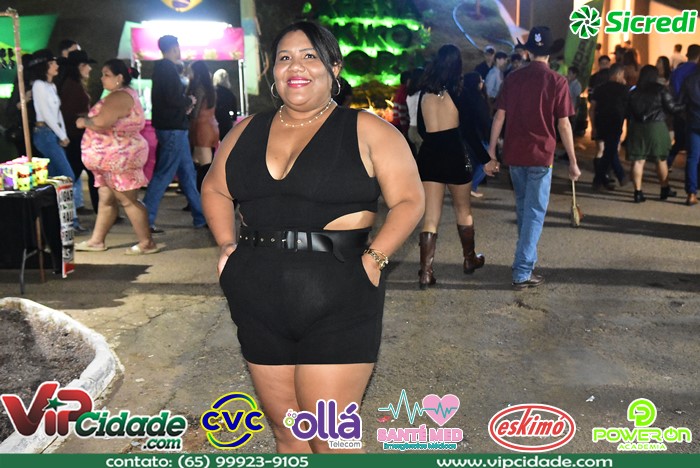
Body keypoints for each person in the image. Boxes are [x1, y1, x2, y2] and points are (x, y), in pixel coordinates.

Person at [200, 21, 423, 453]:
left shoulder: (368, 130)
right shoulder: (246, 129)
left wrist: (375, 259)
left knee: (330, 438)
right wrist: (227, 244)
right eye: (285, 58)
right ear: (272, 71)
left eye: (309, 56)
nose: (296, 67)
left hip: (339, 294)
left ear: (334, 67)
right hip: (256, 295)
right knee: (289, 434)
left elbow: (410, 200)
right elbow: (214, 188)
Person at [485, 26, 581, 290]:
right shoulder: (557, 81)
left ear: (527, 52)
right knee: (534, 213)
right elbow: (564, 125)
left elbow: (499, 117)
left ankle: (526, 262)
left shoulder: (513, 78)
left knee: (524, 209)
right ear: (550, 54)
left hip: (515, 154)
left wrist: (491, 151)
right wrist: (573, 161)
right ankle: (522, 270)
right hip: (541, 155)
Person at [415, 44, 485, 289]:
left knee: (430, 217)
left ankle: (426, 272)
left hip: (429, 155)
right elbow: (470, 132)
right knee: (463, 209)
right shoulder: (459, 91)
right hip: (455, 154)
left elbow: (421, 129)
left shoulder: (424, 92)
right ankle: (469, 259)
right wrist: (487, 159)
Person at [75, 59, 159, 255]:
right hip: (111, 160)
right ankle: (97, 241)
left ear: (119, 77)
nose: (102, 78)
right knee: (106, 199)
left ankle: (146, 243)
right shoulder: (120, 95)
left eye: (106, 75)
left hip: (119, 159)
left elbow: (102, 121)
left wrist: (83, 121)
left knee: (128, 200)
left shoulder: (120, 96)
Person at [144, 35, 206, 233]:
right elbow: (172, 98)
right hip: (173, 128)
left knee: (187, 173)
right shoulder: (167, 69)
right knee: (164, 174)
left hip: (174, 128)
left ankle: (201, 217)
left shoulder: (163, 69)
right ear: (174, 48)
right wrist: (188, 102)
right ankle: (145, 219)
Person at [28, 49, 83, 230]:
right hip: (44, 133)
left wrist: (62, 133)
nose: (56, 66)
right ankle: (68, 220)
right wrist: (62, 135)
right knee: (67, 176)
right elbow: (46, 114)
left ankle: (60, 221)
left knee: (55, 178)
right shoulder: (39, 85)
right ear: (45, 66)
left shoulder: (51, 86)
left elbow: (57, 113)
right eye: (52, 63)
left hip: (52, 133)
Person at [626, 65, 684, 203]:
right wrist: (686, 105)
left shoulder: (633, 91)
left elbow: (627, 111)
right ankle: (664, 188)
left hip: (637, 127)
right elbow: (672, 108)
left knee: (638, 160)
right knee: (660, 159)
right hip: (656, 127)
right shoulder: (660, 89)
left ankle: (638, 192)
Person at [59, 49, 97, 214]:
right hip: (75, 137)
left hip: (76, 137)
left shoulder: (73, 84)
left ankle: (102, 211)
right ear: (80, 66)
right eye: (87, 65)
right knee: (74, 175)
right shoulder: (72, 86)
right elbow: (69, 113)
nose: (90, 69)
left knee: (79, 174)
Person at [589, 64, 628, 190]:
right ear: (618, 74)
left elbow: (592, 108)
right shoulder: (623, 90)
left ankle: (599, 179)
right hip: (615, 123)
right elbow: (628, 108)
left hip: (601, 122)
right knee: (610, 150)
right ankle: (618, 175)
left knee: (608, 150)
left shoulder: (600, 89)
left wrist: (593, 126)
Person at [458, 72, 492, 198]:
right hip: (480, 135)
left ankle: (468, 186)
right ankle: (471, 186)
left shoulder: (462, 97)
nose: (483, 83)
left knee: (473, 162)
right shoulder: (479, 99)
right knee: (486, 160)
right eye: (481, 80)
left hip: (467, 135)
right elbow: (485, 119)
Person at [187, 60, 219, 188]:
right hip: (211, 126)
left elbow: (195, 112)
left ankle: (207, 194)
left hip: (201, 129)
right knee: (199, 162)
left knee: (204, 166)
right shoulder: (210, 88)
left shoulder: (198, 88)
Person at [680, 67, 700, 205]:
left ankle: (691, 193)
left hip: (693, 121)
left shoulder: (689, 80)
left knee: (693, 157)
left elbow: (680, 101)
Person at [212, 68, 237, 140]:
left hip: (214, 120)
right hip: (226, 122)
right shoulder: (230, 94)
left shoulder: (213, 91)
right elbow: (234, 110)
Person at [405, 67, 424, 155]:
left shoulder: (409, 95)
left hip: (412, 128)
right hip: (419, 129)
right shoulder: (421, 95)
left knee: (419, 156)